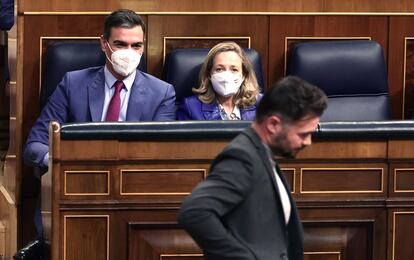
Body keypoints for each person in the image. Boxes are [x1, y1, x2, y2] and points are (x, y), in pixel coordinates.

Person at [177, 76, 328, 260]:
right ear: (273, 124)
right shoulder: (242, 157)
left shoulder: (262, 153)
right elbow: (194, 212)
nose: (308, 142)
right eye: (303, 134)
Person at [23, 9, 176, 169]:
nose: (129, 53)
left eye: (136, 46)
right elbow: (36, 144)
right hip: (78, 177)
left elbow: (162, 153)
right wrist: (62, 164)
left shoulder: (162, 93)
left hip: (134, 181)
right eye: (120, 44)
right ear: (104, 43)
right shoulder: (72, 84)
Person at [177, 41, 261, 120]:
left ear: (244, 76)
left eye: (234, 69)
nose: (226, 76)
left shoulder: (262, 105)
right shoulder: (191, 108)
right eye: (219, 69)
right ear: (209, 74)